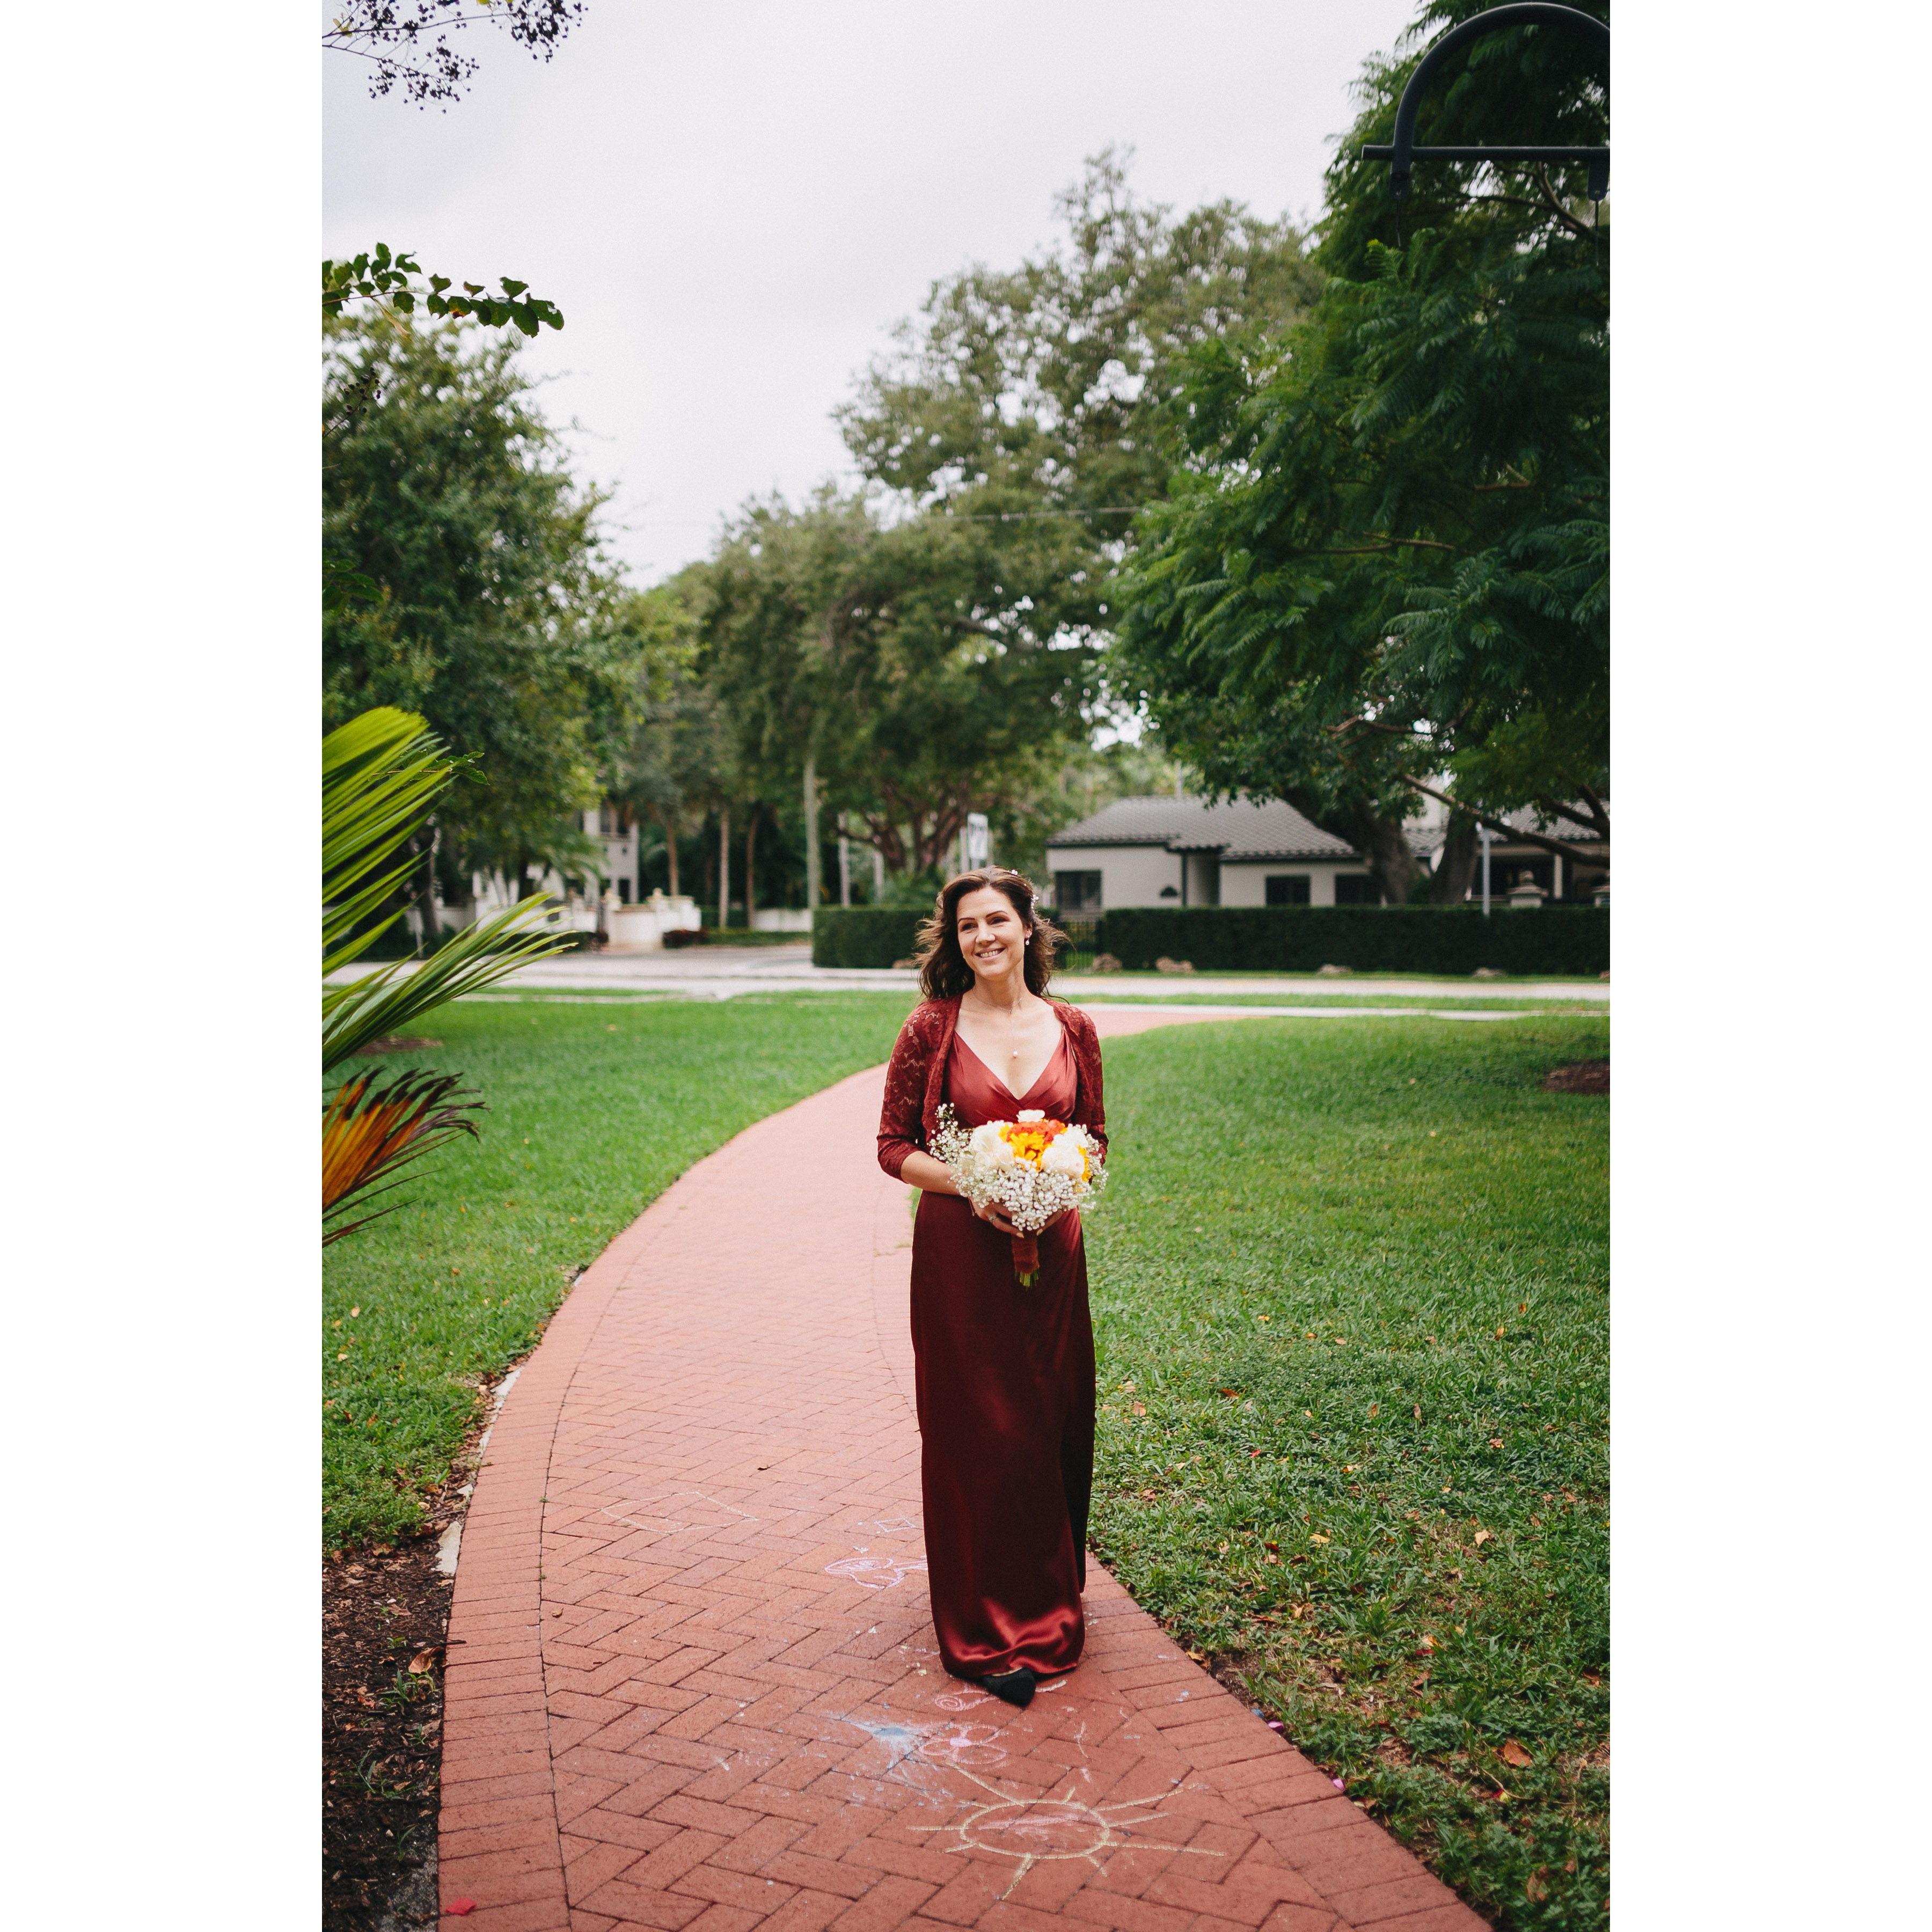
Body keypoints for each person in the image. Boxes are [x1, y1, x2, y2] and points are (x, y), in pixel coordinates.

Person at [875, 868, 1107, 1709]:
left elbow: (1098, 1138)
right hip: (959, 1261)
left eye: (997, 921)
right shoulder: (929, 1028)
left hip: (1054, 1257)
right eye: (968, 926)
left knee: (1049, 1415)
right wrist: (976, 1184)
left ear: (1027, 928)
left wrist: (1055, 1186)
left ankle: (1049, 1601)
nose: (984, 937)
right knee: (975, 1428)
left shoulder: (1074, 1027)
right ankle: (978, 1618)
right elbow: (893, 1145)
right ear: (955, 940)